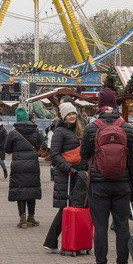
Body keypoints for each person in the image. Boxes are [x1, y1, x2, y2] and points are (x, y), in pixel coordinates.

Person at [79, 88, 133, 264]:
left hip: (98, 185)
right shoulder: (127, 128)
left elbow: (83, 156)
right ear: (116, 105)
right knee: (122, 226)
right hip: (122, 185)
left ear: (99, 105)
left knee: (100, 228)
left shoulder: (91, 127)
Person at [44, 101, 86, 251]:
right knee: (65, 208)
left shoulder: (80, 129)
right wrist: (69, 168)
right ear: (63, 116)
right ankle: (51, 241)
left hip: (79, 175)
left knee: (76, 208)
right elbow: (54, 155)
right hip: (66, 175)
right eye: (69, 114)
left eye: (73, 113)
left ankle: (71, 241)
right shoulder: (59, 132)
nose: (72, 116)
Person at [6, 107, 43, 228]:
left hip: (18, 165)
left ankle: (22, 219)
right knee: (31, 190)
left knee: (20, 191)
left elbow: (7, 149)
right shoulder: (35, 131)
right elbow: (38, 146)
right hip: (32, 164)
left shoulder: (13, 133)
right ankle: (31, 217)